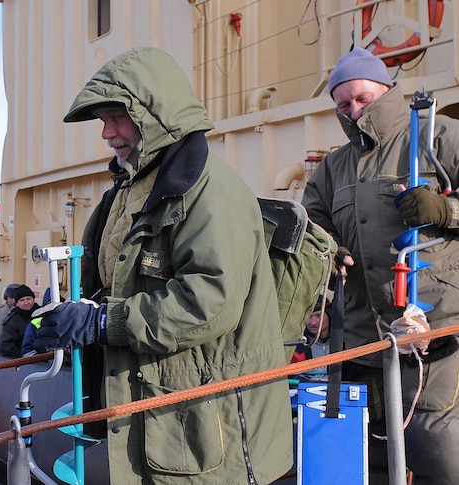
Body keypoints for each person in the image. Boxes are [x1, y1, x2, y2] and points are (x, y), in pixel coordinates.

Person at [29, 47, 292, 484]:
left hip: (207, 425)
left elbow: (209, 303)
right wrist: (56, 318)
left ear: (155, 115)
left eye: (117, 117)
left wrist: (101, 325)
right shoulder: (127, 192)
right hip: (157, 412)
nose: (107, 133)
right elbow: (111, 283)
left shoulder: (211, 193)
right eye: (104, 120)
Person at [301, 47, 459, 484]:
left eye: (363, 98)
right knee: (369, 445)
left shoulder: (438, 137)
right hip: (364, 329)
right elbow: (313, 226)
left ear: (386, 91)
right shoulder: (334, 167)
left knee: (434, 435)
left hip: (440, 320)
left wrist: (451, 211)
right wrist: (325, 271)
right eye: (343, 104)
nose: (353, 110)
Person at [0, 285, 40, 358]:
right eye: (22, 300)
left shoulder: (42, 314)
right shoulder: (12, 321)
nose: (26, 303)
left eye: (28, 299)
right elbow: (5, 346)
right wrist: (24, 355)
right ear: (16, 303)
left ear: (33, 299)